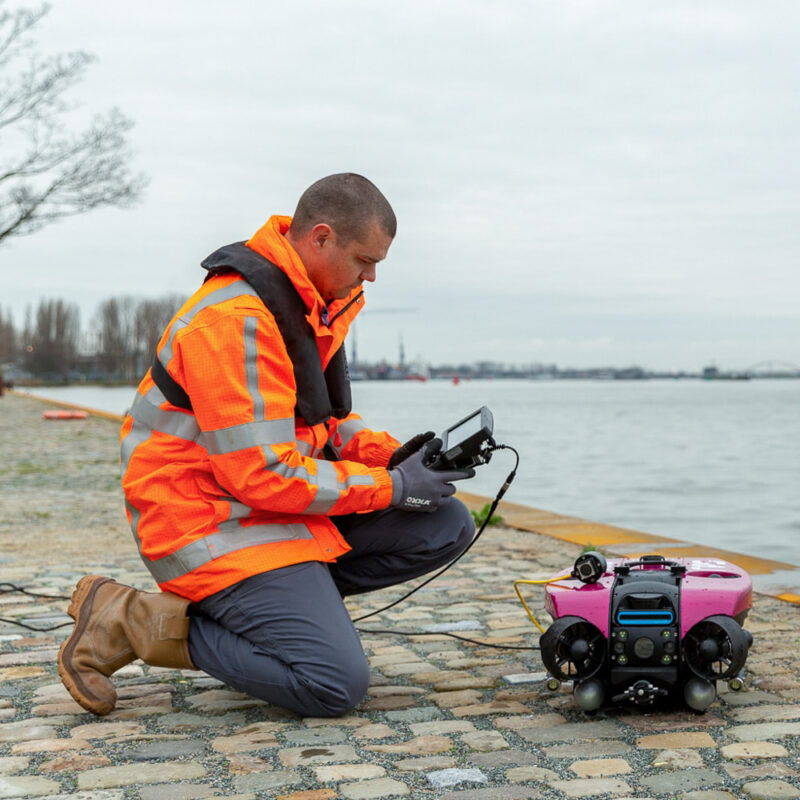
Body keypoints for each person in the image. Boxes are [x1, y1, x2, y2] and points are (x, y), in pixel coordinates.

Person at [58, 173, 476, 718]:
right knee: (332, 684)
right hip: (207, 523)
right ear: (320, 237)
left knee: (446, 524)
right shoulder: (234, 323)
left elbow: (325, 424)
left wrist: (394, 460)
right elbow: (263, 474)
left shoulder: (314, 302)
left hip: (268, 510)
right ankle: (131, 619)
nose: (371, 276)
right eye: (363, 260)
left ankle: (286, 613)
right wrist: (391, 487)